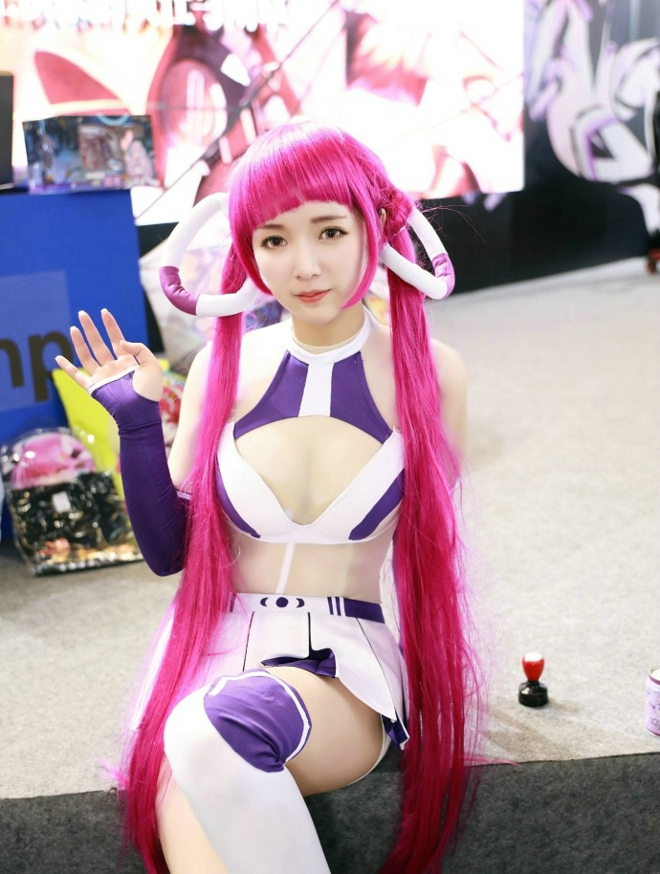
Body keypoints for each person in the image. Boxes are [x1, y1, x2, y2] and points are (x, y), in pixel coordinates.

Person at [55, 121, 485, 874]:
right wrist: (137, 425)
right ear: (249, 251)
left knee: (208, 733)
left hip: (341, 669)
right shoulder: (226, 367)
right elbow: (169, 552)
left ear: (374, 229)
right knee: (196, 749)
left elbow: (428, 545)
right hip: (210, 654)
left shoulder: (430, 372)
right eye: (275, 240)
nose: (304, 265)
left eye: (329, 231)